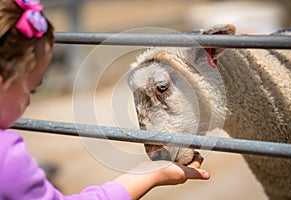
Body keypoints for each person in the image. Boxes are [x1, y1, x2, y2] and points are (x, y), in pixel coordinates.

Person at [0, 0, 210, 199]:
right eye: (32, 90)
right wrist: (151, 175)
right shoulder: (7, 157)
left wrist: (150, 172)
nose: (28, 103)